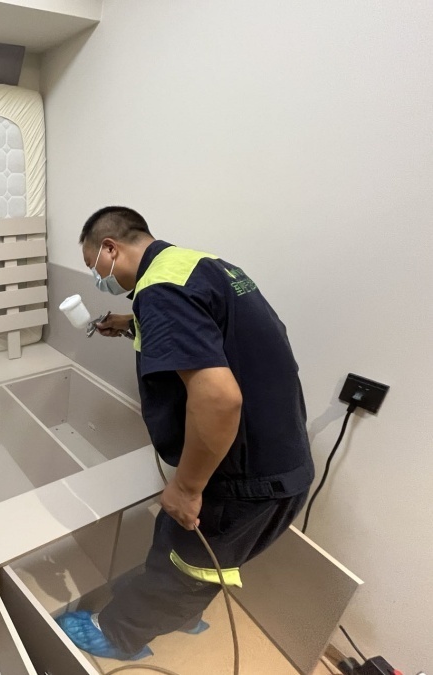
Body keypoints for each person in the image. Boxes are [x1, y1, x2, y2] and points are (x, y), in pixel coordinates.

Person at [56, 206, 315, 661]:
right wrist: (132, 323)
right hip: (280, 454)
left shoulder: (159, 292)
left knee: (181, 563)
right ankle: (181, 613)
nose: (96, 276)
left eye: (91, 264)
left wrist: (188, 487)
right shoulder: (201, 265)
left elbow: (219, 399)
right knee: (201, 562)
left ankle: (118, 634)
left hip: (242, 478)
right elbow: (215, 330)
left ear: (110, 249)